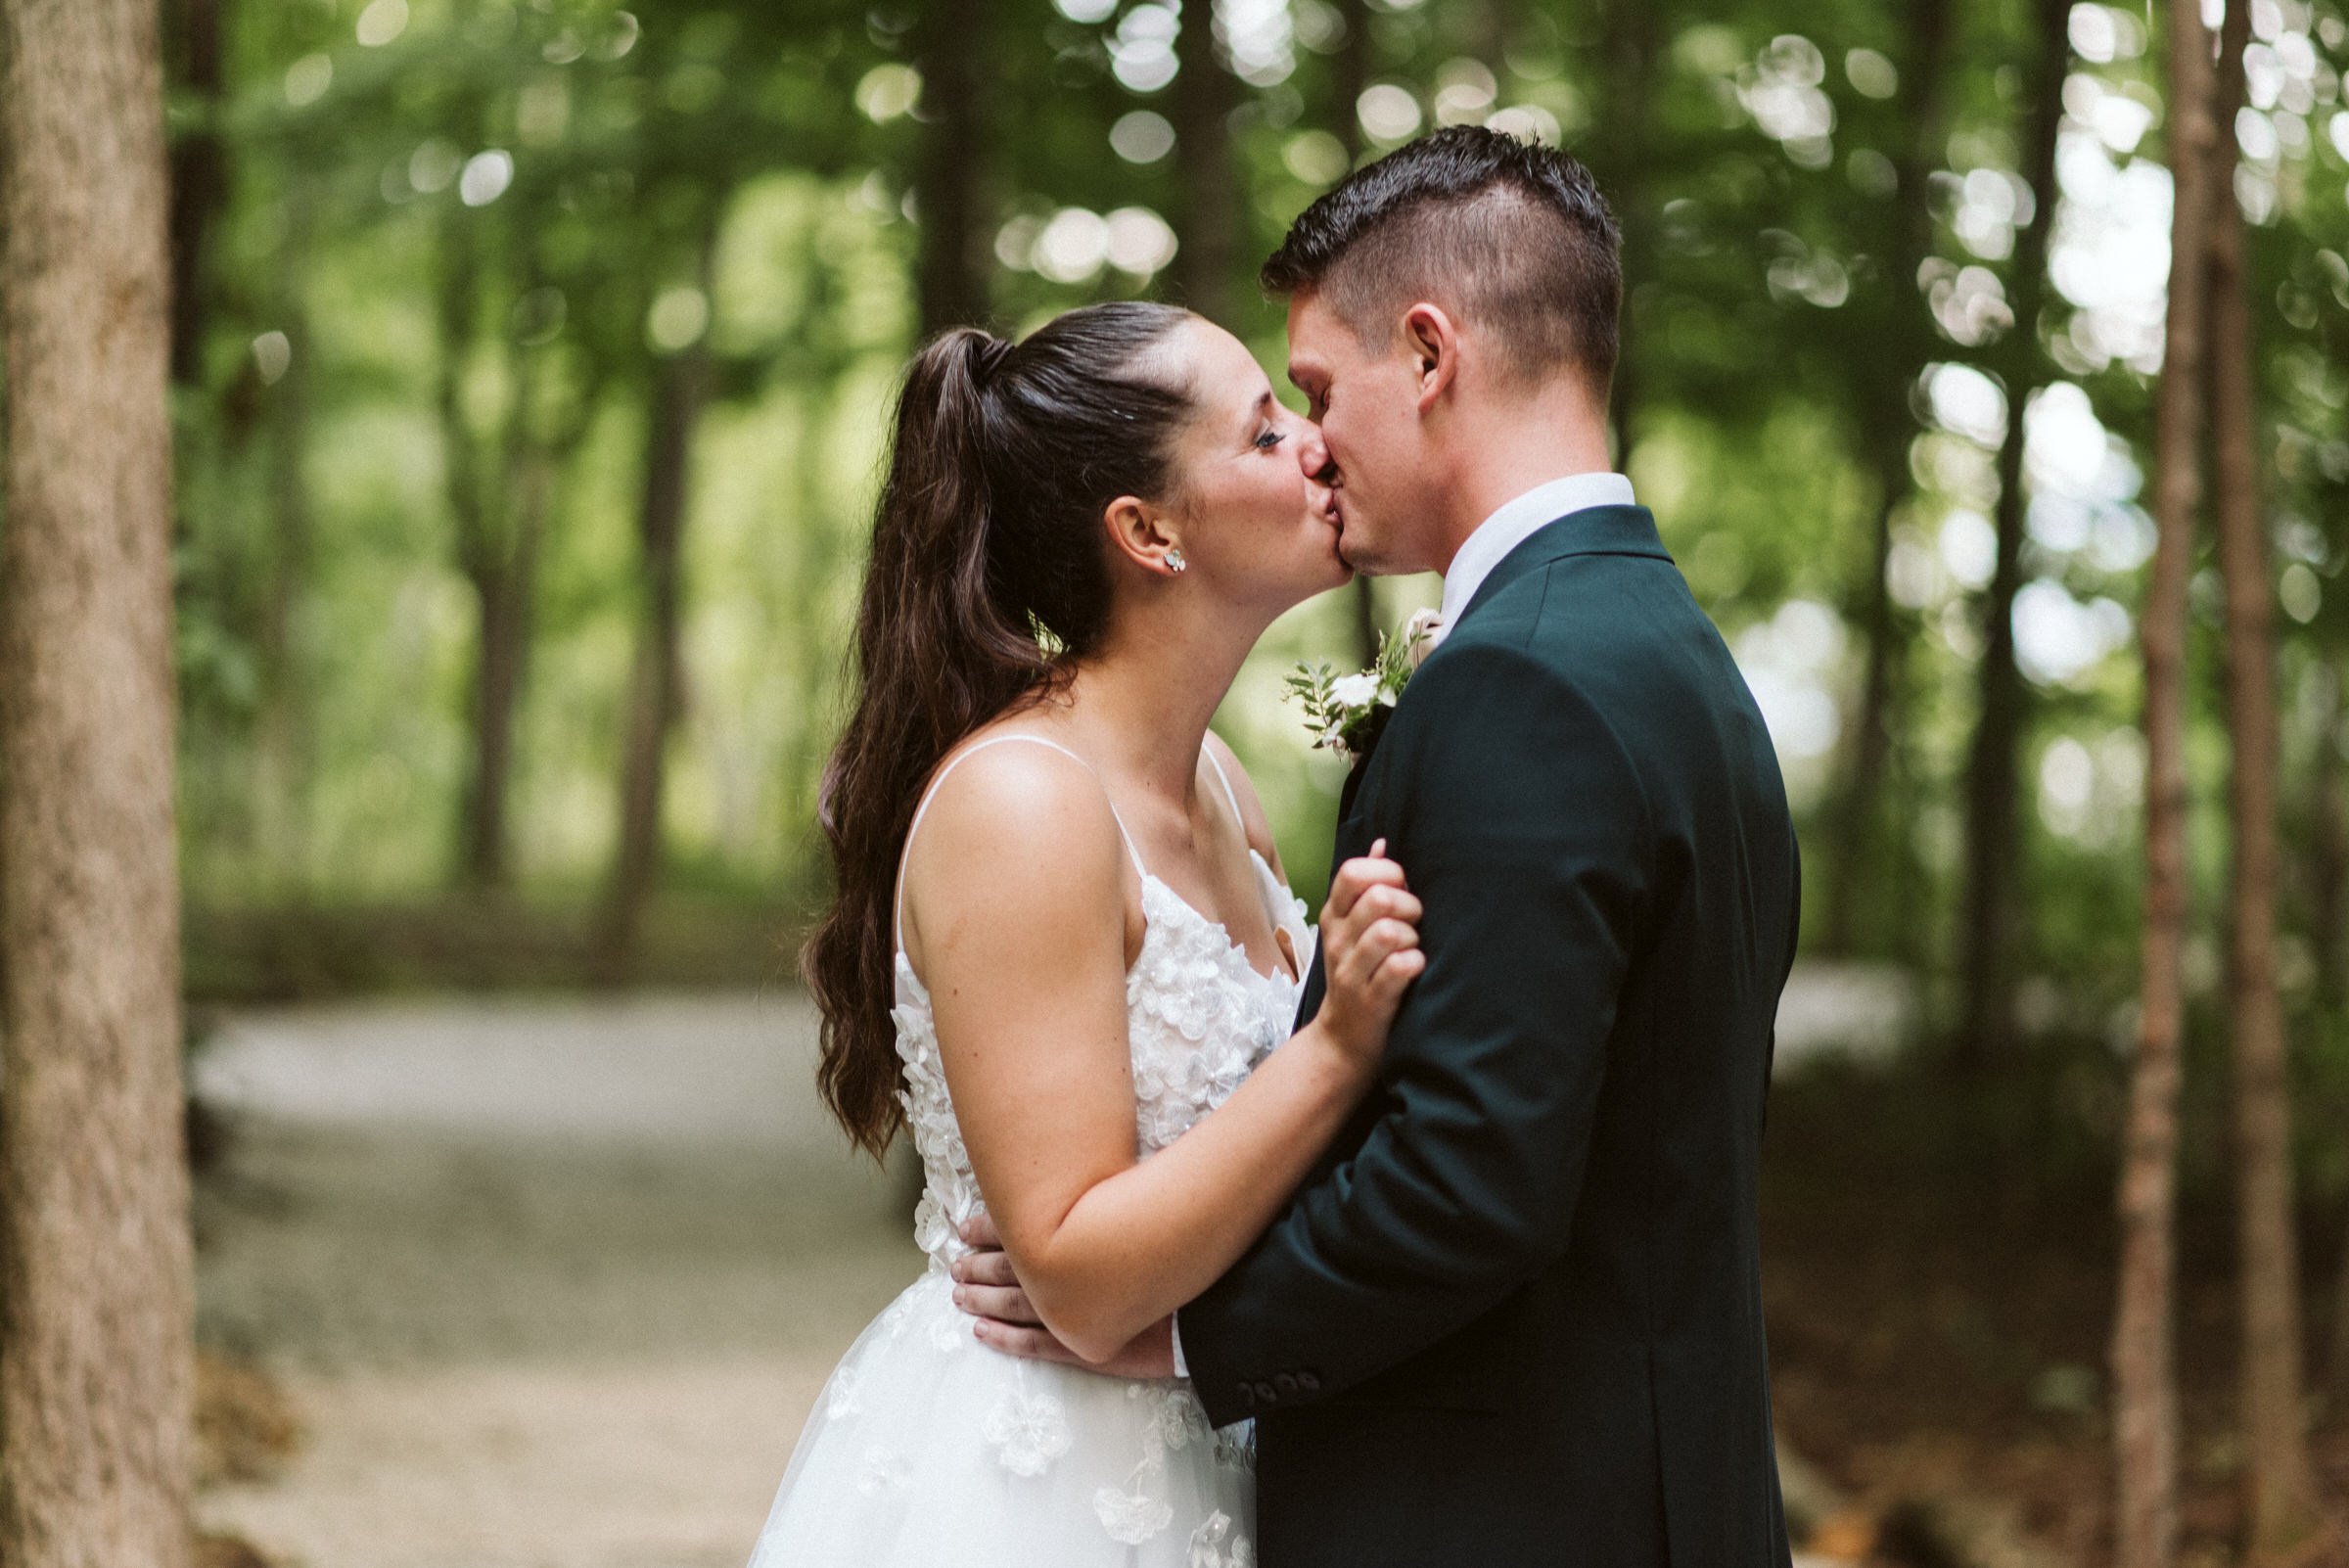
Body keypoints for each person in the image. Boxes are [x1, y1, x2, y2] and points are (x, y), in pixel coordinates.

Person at [960, 126, 1804, 1566]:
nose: (1315, 444)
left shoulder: (1517, 680)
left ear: (1429, 355)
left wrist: (1166, 1336)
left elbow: (1466, 1180)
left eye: (1317, 391)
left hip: (1506, 1513)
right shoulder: (1674, 652)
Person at [747, 300, 1426, 1568]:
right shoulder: (1024, 804)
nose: (1318, 447)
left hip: (1224, 1441)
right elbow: (1078, 1275)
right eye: (1266, 432)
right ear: (1149, 531)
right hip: (1041, 1481)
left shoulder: (1220, 784)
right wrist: (1334, 1050)